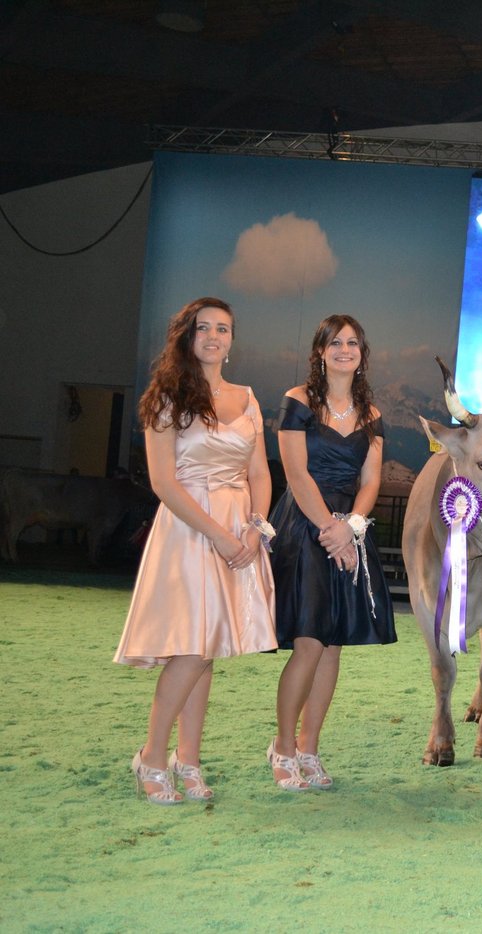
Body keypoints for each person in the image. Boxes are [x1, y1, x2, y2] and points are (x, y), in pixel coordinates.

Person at [115, 297, 277, 804]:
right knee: (190, 648)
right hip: (189, 530)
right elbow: (164, 483)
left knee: (207, 651)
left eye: (223, 329)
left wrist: (254, 528)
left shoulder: (248, 398)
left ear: (232, 340)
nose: (213, 337)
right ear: (187, 336)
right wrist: (220, 534)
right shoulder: (166, 397)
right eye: (203, 328)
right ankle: (151, 757)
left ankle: (188, 759)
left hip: (238, 530)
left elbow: (259, 473)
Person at [267, 315, 395, 791]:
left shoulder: (372, 413)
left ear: (363, 352)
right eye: (335, 342)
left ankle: (309, 747)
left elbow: (371, 481)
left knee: (333, 645)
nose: (345, 349)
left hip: (349, 533)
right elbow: (296, 474)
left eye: (353, 343)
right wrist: (330, 529)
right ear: (320, 350)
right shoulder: (298, 401)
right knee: (309, 642)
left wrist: (353, 527)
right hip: (306, 528)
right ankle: (281, 747)